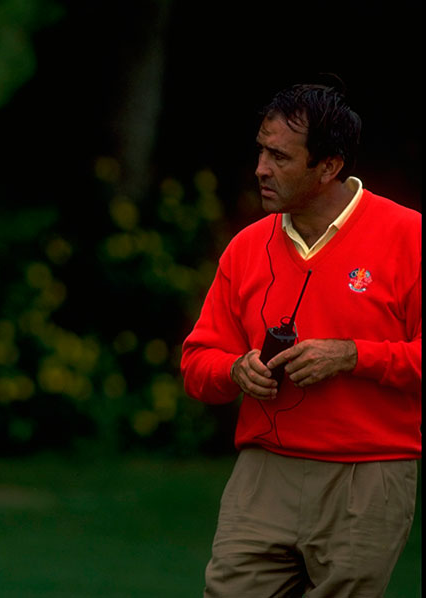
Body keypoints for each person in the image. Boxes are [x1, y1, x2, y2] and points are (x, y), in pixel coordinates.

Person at [181, 82, 421, 597]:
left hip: (368, 476)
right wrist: (234, 370)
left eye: (279, 156)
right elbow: (198, 365)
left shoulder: (409, 237)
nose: (260, 168)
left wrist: (355, 356)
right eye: (261, 151)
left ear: (329, 166)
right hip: (263, 474)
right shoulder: (246, 247)